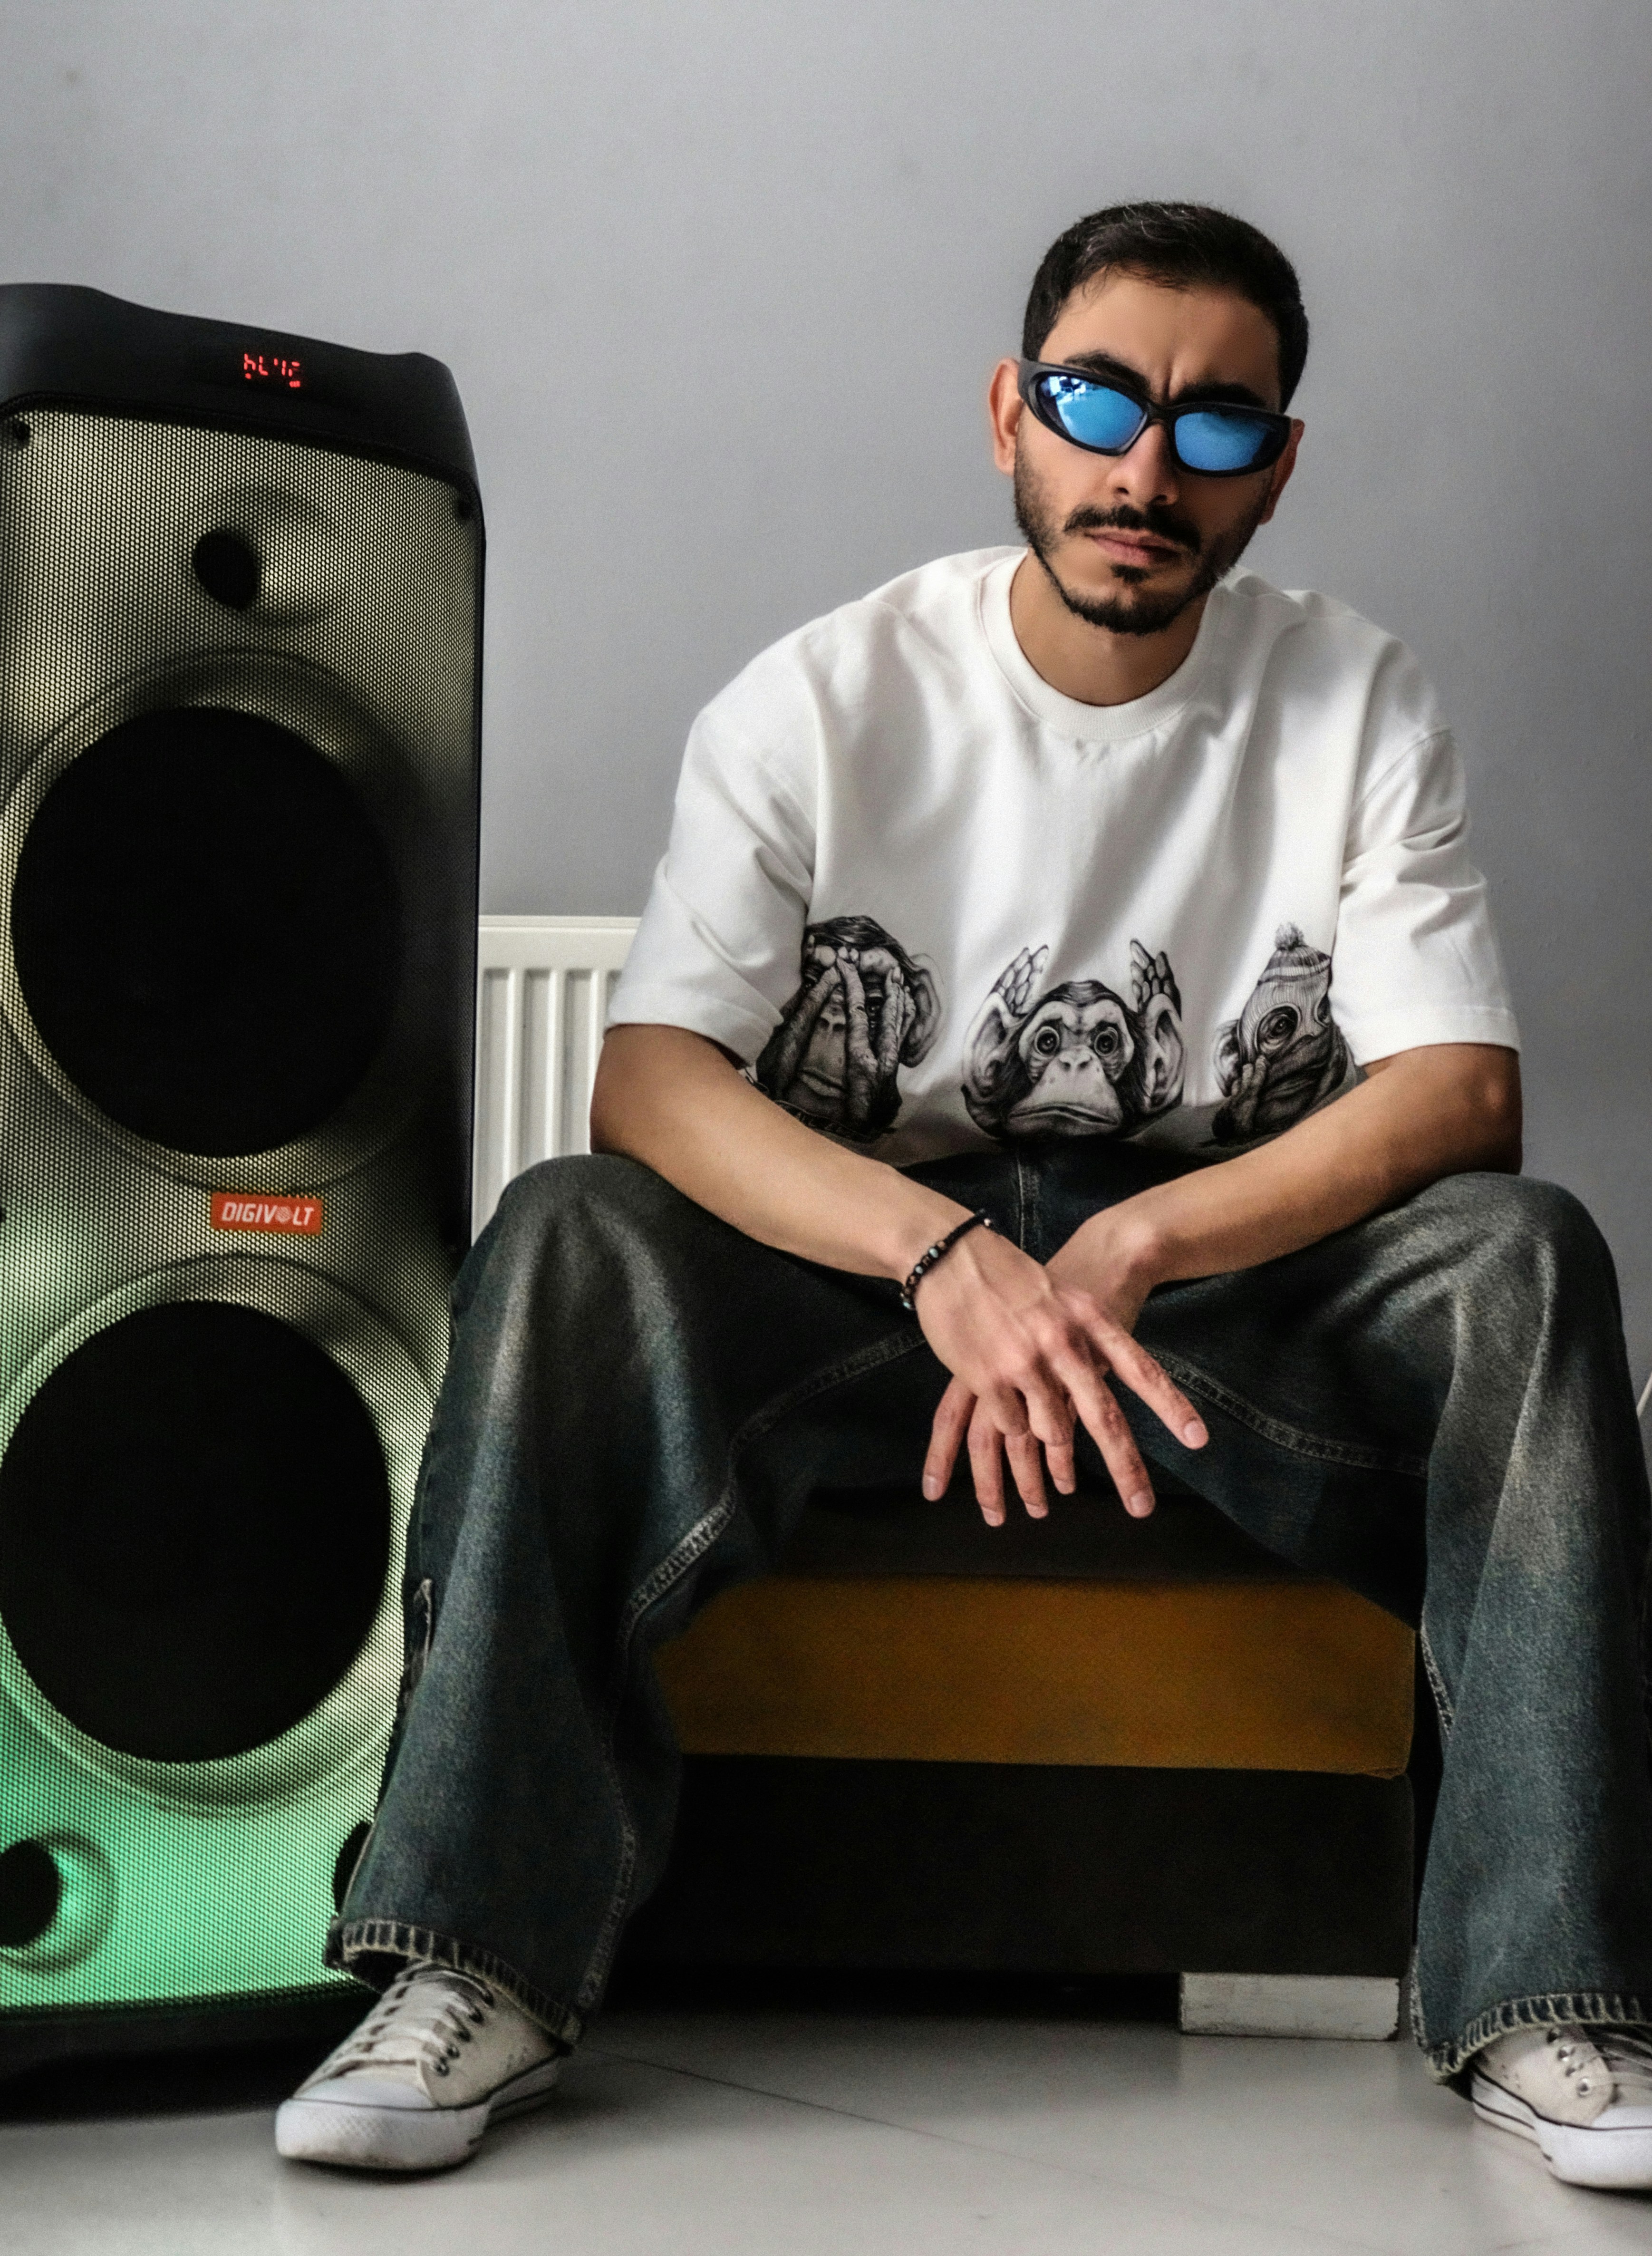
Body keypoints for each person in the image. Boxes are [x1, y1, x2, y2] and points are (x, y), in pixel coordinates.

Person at [275, 201, 1652, 2191]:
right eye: (1099, 401)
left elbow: (1458, 1089)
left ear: (1273, 464)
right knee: (570, 1227)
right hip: (861, 1269)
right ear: (1011, 409)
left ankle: (1545, 1989)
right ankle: (467, 1955)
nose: (1141, 469)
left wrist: (1136, 1235)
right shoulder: (822, 698)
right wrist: (937, 1249)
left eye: (1210, 424)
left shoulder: (1355, 701)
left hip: (1202, 1288)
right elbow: (651, 1073)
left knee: (1529, 1260)